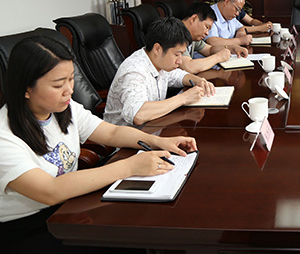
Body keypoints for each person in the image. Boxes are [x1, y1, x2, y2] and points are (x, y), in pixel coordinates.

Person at [0, 36, 197, 253]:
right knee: (126, 239)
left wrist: (158, 141)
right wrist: (130, 166)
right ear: (25, 88)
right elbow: (50, 191)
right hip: (27, 226)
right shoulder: (4, 136)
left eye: (71, 79)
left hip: (70, 203)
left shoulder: (64, 108)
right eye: (58, 84)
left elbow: (111, 132)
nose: (69, 90)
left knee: (139, 221)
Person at [104, 17, 216, 127]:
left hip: (154, 126)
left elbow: (176, 75)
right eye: (177, 54)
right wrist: (184, 98)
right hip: (126, 135)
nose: (180, 61)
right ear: (157, 49)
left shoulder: (158, 60)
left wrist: (198, 80)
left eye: (182, 54)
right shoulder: (134, 71)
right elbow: (137, 114)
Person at [181, 1, 249, 74]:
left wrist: (233, 48)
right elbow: (188, 67)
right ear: (193, 19)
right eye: (206, 27)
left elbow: (209, 49)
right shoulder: (178, 34)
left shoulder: (192, 37)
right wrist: (218, 57)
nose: (207, 33)